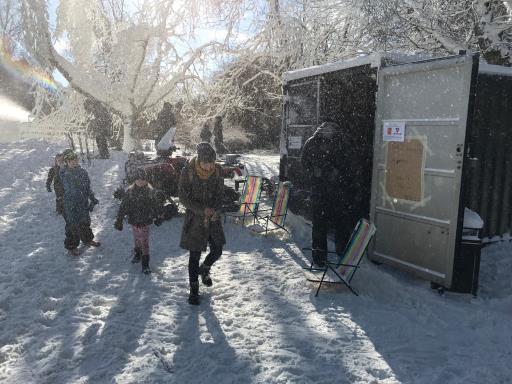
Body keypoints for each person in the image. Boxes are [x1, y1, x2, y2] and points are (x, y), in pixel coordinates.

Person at [300, 121, 353, 267]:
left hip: (338, 191)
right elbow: (304, 164)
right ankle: (319, 258)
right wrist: (316, 172)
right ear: (321, 129)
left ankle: (342, 255)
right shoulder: (311, 143)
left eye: (331, 127)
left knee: (341, 224)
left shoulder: (341, 142)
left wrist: (339, 173)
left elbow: (350, 164)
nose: (328, 130)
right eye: (325, 127)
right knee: (319, 226)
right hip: (319, 191)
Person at [178, 142, 225, 305]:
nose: (208, 167)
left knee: (218, 250)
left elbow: (220, 194)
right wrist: (201, 210)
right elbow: (183, 197)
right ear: (199, 160)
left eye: (211, 163)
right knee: (194, 255)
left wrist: (217, 210)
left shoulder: (218, 171)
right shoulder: (189, 171)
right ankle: (194, 290)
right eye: (205, 163)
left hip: (213, 219)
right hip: (195, 219)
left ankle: (204, 268)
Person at [114, 168, 163, 274]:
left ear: (146, 180)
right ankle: (137, 253)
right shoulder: (130, 192)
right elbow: (123, 207)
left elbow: (155, 206)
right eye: (138, 179)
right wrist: (119, 220)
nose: (140, 181)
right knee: (136, 239)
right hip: (134, 220)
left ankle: (145, 264)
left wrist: (158, 216)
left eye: (143, 179)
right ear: (134, 180)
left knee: (144, 241)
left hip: (145, 221)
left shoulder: (150, 192)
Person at [60, 149, 100, 256]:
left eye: (75, 159)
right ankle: (72, 246)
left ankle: (87, 239)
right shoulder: (64, 174)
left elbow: (87, 187)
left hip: (82, 202)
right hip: (70, 204)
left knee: (85, 222)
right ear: (66, 162)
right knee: (72, 225)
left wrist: (92, 197)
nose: (73, 162)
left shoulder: (83, 172)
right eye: (70, 161)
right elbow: (65, 189)